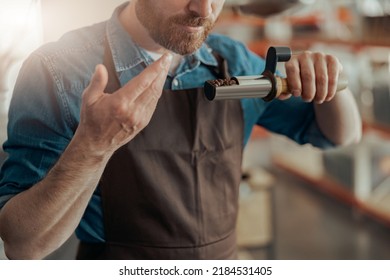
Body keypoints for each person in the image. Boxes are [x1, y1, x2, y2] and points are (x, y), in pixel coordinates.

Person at [0, 0, 361, 260]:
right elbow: (24, 244)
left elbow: (339, 135)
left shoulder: (232, 61)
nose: (204, 9)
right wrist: (93, 147)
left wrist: (332, 82)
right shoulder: (58, 69)